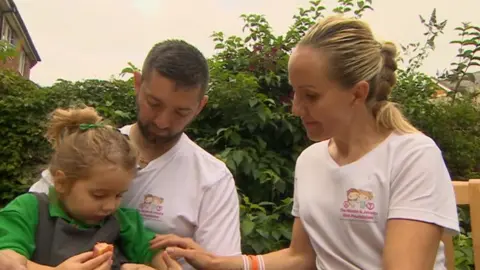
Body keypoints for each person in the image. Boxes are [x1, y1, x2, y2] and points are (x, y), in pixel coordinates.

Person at [162, 15, 460, 270]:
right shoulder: (312, 160)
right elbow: (301, 256)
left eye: (311, 96)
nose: (295, 108)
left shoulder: (414, 157)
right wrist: (221, 263)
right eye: (294, 93)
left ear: (357, 93)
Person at [29, 40, 242, 269]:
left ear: (200, 106)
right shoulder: (89, 148)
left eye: (181, 112)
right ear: (138, 84)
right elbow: (18, 239)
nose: (162, 121)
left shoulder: (213, 179)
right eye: (154, 103)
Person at [0, 106, 181, 270]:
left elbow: (151, 251)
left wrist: (163, 263)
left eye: (119, 195)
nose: (110, 206)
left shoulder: (121, 221)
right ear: (61, 182)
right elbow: (7, 261)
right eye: (99, 195)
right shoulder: (29, 210)